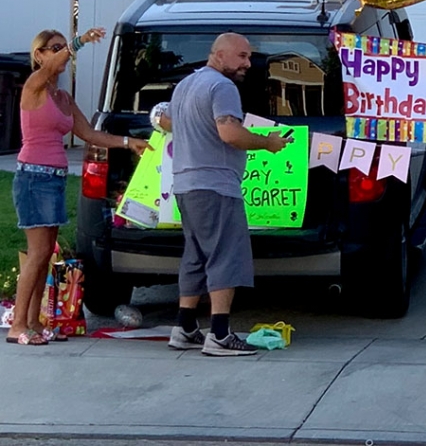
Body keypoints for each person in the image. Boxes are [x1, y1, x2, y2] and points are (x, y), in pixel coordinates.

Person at [6, 28, 149, 346]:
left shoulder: (63, 98)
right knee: (38, 252)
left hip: (54, 179)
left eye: (62, 46)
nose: (61, 53)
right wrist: (78, 42)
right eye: (53, 48)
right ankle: (18, 324)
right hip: (33, 177)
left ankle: (32, 321)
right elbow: (51, 68)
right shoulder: (35, 85)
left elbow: (90, 134)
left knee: (45, 256)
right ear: (39, 54)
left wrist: (129, 142)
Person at [163, 32, 290, 357]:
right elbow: (229, 132)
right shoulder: (222, 87)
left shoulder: (185, 85)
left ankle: (185, 327)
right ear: (218, 55)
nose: (248, 63)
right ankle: (219, 334)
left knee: (196, 255)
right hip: (215, 185)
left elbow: (176, 125)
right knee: (225, 255)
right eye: (241, 56)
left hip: (185, 183)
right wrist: (268, 143)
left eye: (248, 56)